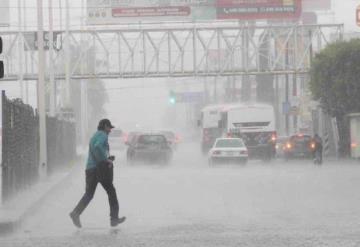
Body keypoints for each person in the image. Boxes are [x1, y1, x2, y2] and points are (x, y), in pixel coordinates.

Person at [70, 119, 126, 228]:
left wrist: (106, 158)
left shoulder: (95, 135)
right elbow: (97, 147)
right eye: (109, 128)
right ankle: (114, 219)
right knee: (111, 192)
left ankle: (75, 213)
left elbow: (96, 148)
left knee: (89, 194)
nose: (110, 130)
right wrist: (106, 160)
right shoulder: (102, 135)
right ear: (105, 126)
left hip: (90, 169)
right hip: (99, 169)